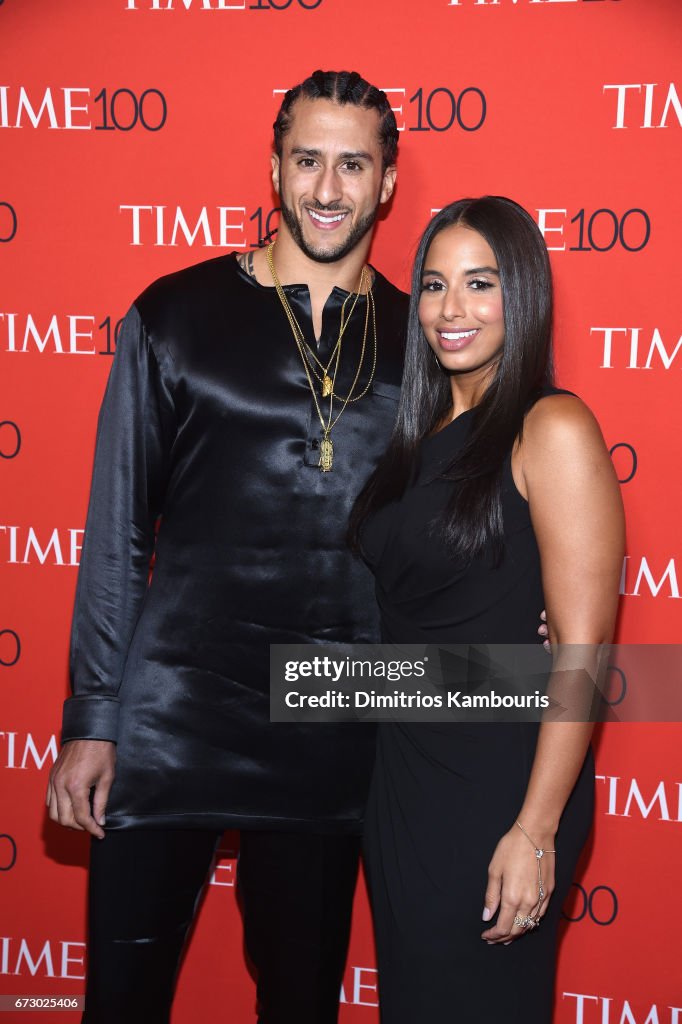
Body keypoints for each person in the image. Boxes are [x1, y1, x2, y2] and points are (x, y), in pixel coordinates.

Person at [46, 70, 407, 1024]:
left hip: (331, 717)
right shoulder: (175, 313)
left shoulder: (423, 340)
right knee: (119, 1001)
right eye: (308, 160)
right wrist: (95, 715)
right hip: (174, 712)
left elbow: (452, 529)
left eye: (353, 164)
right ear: (276, 167)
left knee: (300, 1003)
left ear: (388, 182)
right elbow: (119, 530)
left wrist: (520, 616)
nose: (327, 190)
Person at [349, 196, 624, 1022]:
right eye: (434, 285)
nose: (451, 309)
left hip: (499, 784)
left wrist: (534, 831)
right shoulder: (415, 431)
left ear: (524, 296)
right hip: (402, 776)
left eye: (481, 283)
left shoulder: (553, 427)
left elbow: (582, 652)